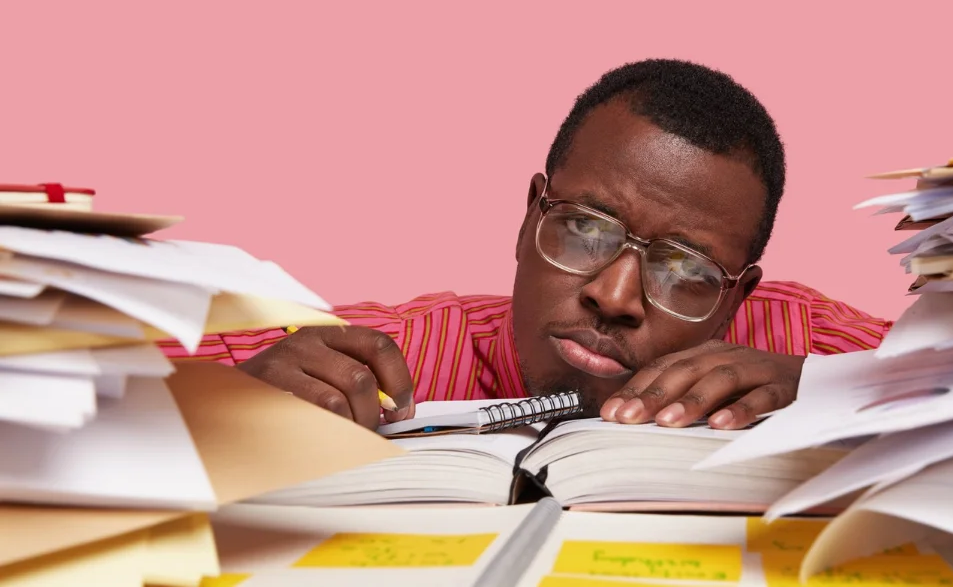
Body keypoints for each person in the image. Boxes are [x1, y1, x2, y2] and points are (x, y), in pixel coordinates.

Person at [159, 59, 892, 431]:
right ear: (527, 220)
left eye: (686, 269)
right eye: (583, 227)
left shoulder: (815, 352)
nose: (614, 296)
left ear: (739, 297)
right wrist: (215, 413)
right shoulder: (390, 352)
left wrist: (841, 396)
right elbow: (70, 390)